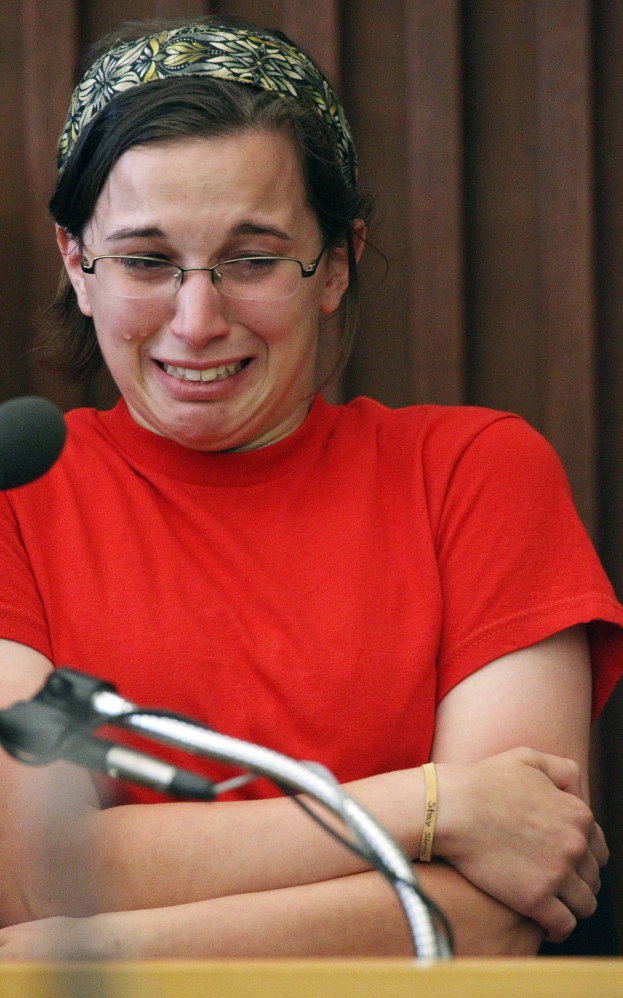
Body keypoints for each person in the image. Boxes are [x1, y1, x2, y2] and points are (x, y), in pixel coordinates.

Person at [0, 16, 621, 960]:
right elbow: (34, 872)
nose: (197, 319)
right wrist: (431, 808)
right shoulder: (17, 491)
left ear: (334, 264)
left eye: (251, 259)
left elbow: (502, 912)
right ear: (75, 266)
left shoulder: (472, 475)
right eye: (145, 260)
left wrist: (77, 952)